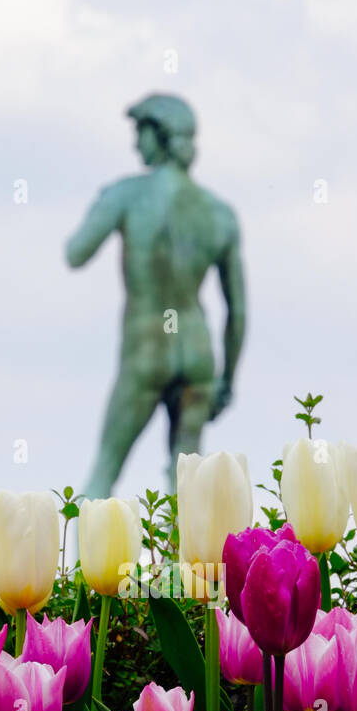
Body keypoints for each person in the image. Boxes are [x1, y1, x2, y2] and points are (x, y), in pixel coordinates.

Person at [66, 94, 246, 497]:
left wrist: (106, 206)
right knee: (187, 489)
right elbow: (238, 311)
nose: (135, 145)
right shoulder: (219, 213)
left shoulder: (127, 195)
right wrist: (228, 380)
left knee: (104, 473)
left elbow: (75, 252)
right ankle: (178, 563)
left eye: (140, 133)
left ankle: (80, 563)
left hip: (147, 349)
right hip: (198, 350)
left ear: (159, 135)